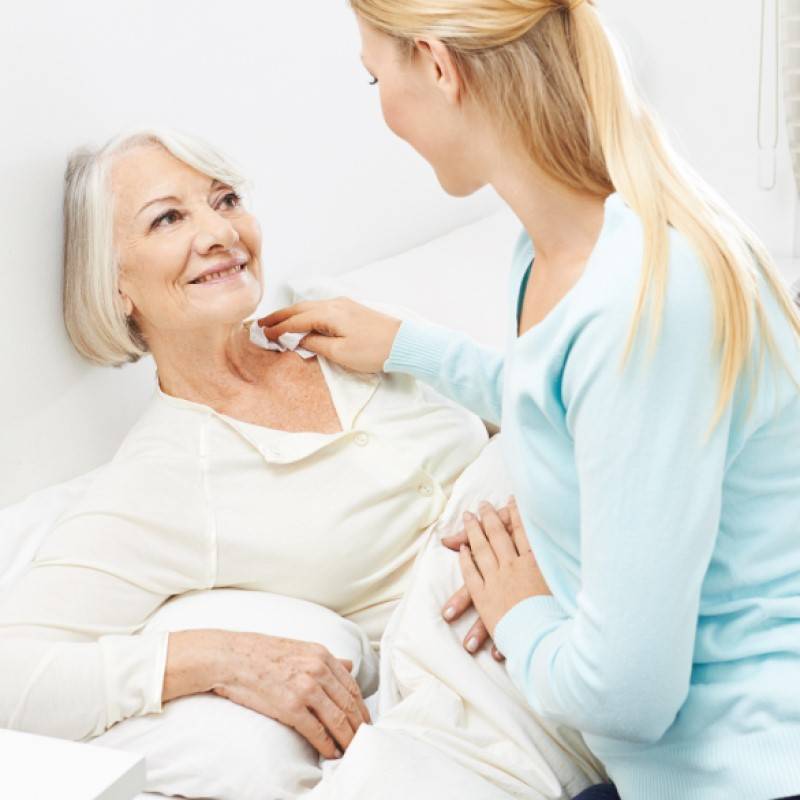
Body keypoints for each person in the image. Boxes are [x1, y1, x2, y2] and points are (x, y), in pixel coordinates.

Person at [259, 1, 800, 797]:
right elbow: (575, 401)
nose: (379, 108)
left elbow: (628, 697)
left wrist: (520, 611)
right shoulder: (567, 249)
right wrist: (410, 346)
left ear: (439, 67)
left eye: (375, 76)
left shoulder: (641, 301)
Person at [0, 129, 489, 762]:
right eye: (169, 217)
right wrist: (216, 657)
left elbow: (548, 411)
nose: (220, 232)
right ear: (117, 285)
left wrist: (412, 348)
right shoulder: (164, 479)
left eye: (226, 200)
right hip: (504, 680)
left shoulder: (345, 330)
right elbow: (12, 678)